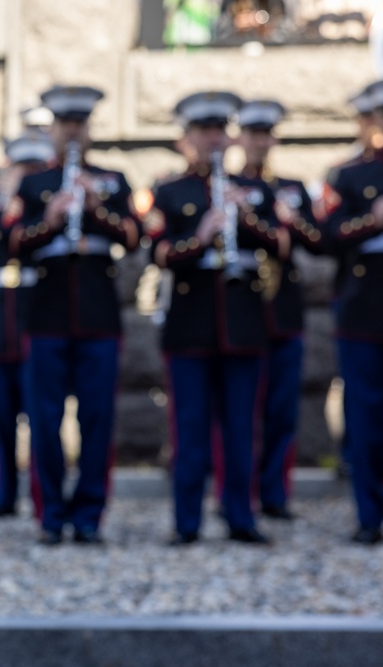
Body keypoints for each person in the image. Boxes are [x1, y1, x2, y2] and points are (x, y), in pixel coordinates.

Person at [150, 91, 287, 546]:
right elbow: (162, 253)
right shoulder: (170, 191)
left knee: (241, 429)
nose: (212, 139)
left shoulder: (255, 189)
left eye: (217, 131)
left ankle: (240, 516)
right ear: (186, 139)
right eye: (202, 132)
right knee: (190, 430)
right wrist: (203, 234)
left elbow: (282, 247)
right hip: (190, 326)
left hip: (243, 323)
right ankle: (186, 521)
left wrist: (243, 218)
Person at [10, 86, 141, 544]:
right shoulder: (34, 183)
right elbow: (11, 243)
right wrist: (50, 218)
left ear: (89, 130)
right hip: (46, 315)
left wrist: (96, 207)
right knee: (44, 421)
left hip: (98, 316)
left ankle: (89, 515)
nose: (72, 132)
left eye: (79, 124)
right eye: (64, 124)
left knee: (98, 419)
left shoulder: (112, 179)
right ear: (52, 129)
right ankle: (49, 515)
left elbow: (133, 236)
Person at [235, 99, 324, 521]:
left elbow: (317, 241)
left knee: (282, 409)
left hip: (284, 309)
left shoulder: (291, 187)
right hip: (244, 309)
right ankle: (242, 491)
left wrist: (290, 220)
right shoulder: (229, 185)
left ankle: (275, 491)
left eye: (265, 135)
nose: (259, 142)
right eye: (253, 134)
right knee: (242, 408)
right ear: (241, 138)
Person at [0, 129, 54, 518]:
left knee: (40, 417)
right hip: (0, 318)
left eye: (33, 167)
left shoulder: (44, 205)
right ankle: (3, 493)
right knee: (1, 417)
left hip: (36, 312)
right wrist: (2, 199)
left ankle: (40, 495)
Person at [322, 79, 383, 545]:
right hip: (363, 313)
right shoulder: (346, 176)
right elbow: (326, 237)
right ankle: (369, 514)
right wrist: (372, 221)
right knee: (364, 419)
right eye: (373, 118)